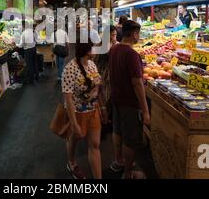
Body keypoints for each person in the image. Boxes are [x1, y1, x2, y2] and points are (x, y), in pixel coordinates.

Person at [109, 20, 150, 179]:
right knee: (131, 139)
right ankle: (127, 173)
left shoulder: (114, 49)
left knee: (117, 131)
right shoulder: (132, 55)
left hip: (116, 98)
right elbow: (138, 84)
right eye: (138, 33)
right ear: (134, 34)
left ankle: (119, 161)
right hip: (129, 103)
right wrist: (145, 111)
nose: (138, 36)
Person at [62, 37, 107, 179]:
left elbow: (98, 87)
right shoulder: (70, 69)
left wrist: (103, 108)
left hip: (93, 111)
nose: (94, 50)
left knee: (95, 144)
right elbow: (68, 99)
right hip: (77, 113)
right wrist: (74, 123)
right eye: (92, 47)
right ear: (87, 50)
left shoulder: (92, 65)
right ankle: (71, 161)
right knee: (74, 140)